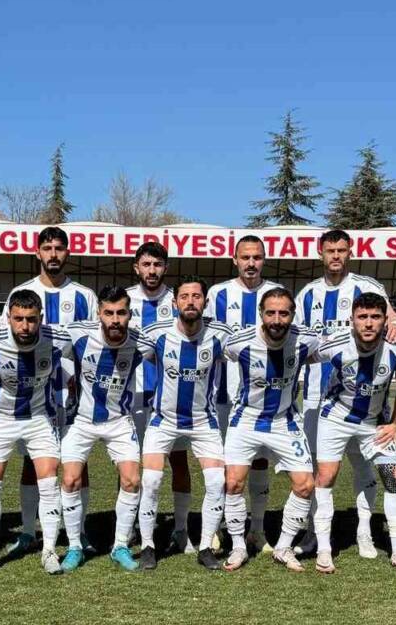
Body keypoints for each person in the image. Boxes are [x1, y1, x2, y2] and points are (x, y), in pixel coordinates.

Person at [294, 229, 396, 560]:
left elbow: (392, 318)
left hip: (367, 399)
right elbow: (300, 342)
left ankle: (365, 533)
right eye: (330, 250)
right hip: (318, 397)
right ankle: (315, 535)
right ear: (320, 252)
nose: (336, 256)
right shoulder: (307, 294)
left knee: (364, 468)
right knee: (320, 471)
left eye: (342, 250)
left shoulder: (368, 287)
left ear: (350, 252)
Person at [4, 227, 99, 557]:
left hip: (73, 394)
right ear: (38, 252)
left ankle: (80, 530)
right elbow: (11, 342)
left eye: (59, 248)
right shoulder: (21, 291)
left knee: (78, 462)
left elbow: (92, 346)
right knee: (32, 462)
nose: (54, 254)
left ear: (67, 253)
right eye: (48, 248)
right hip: (34, 394)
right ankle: (30, 531)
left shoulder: (85, 297)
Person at [0, 289, 75, 576]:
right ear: (8, 318)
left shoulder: (58, 339)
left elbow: (83, 353)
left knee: (49, 481)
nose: (24, 326)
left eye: (31, 319)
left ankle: (49, 550)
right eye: (18, 319)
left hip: (39, 417)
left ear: (41, 318)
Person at [313, 292, 396, 576]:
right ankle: (324, 548)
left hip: (376, 422)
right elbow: (296, 355)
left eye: (375, 317)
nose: (369, 323)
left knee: (393, 477)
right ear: (352, 321)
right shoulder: (335, 345)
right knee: (326, 477)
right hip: (335, 419)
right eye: (363, 317)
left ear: (386, 320)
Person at [219, 287, 325, 572]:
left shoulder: (306, 341)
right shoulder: (238, 343)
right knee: (232, 483)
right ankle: (239, 545)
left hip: (285, 421)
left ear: (292, 314)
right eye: (271, 313)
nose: (277, 319)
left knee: (305, 484)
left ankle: (284, 547)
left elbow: (339, 349)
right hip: (245, 420)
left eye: (284, 313)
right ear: (261, 314)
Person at [137, 273, 233, 571]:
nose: (190, 302)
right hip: (163, 420)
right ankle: (148, 546)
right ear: (175, 301)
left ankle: (205, 547)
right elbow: (124, 353)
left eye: (196, 296)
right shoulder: (156, 334)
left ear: (205, 301)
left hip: (204, 421)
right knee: (151, 481)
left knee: (217, 482)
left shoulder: (221, 334)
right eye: (184, 296)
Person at [60, 286, 157, 571]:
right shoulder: (78, 334)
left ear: (130, 314)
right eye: (109, 313)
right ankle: (75, 545)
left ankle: (120, 545)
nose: (115, 319)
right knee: (70, 480)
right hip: (81, 420)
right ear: (99, 313)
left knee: (131, 480)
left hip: (119, 421)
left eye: (121, 313)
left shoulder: (142, 343)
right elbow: (46, 347)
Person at [206, 236, 281, 552]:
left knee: (260, 461)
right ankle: (223, 526)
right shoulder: (217, 294)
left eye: (257, 257)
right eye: (245, 257)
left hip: (264, 398)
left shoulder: (275, 294)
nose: (251, 263)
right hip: (223, 394)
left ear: (264, 260)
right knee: (227, 464)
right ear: (234, 260)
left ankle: (259, 529)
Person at [126, 241, 195, 553]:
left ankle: (181, 529)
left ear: (165, 267)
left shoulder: (178, 299)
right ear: (136, 267)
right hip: (133, 396)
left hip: (173, 398)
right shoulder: (125, 299)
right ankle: (129, 529)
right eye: (146, 264)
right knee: (130, 465)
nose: (151, 271)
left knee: (179, 463)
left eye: (157, 265)